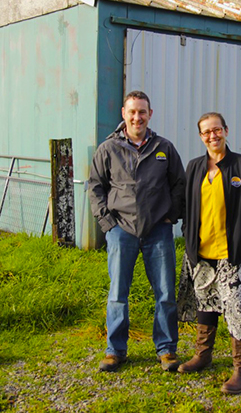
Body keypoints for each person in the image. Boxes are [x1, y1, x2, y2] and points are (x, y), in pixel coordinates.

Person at [88, 90, 185, 373]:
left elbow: (179, 184)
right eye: (132, 111)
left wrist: (171, 216)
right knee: (118, 292)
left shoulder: (163, 147)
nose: (137, 117)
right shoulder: (108, 149)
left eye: (142, 112)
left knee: (165, 292)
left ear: (150, 114)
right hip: (121, 230)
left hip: (158, 231)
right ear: (123, 113)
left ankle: (166, 349)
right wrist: (107, 224)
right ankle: (115, 350)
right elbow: (95, 187)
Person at [177, 112, 241, 394]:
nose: (212, 136)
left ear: (226, 131)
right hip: (202, 254)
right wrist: (187, 234)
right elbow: (184, 204)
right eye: (206, 132)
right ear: (201, 136)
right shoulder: (193, 167)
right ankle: (203, 356)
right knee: (205, 305)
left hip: (234, 256)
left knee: (238, 311)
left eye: (217, 130)